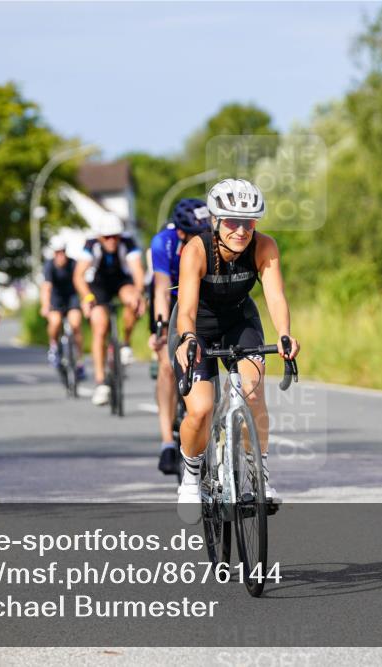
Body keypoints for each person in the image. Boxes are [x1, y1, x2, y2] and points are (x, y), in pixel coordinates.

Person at [170, 178, 300, 523]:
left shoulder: (264, 246)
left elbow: (275, 296)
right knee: (200, 409)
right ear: (215, 220)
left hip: (240, 321)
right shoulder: (196, 250)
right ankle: (191, 476)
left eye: (249, 222)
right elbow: (185, 309)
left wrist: (285, 333)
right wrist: (186, 339)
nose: (241, 230)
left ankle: (259, 475)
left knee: (253, 392)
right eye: (232, 221)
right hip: (196, 326)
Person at [149, 198, 212, 475]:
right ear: (182, 233)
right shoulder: (163, 242)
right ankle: (167, 443)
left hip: (202, 301)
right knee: (166, 366)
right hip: (171, 302)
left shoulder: (211, 237)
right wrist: (162, 329)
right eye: (194, 235)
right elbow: (161, 287)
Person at [73, 213, 146, 406]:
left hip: (121, 281)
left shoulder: (128, 242)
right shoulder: (91, 245)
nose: (112, 241)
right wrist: (87, 297)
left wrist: (139, 293)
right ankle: (100, 383)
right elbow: (79, 276)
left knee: (132, 300)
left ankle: (126, 344)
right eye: (107, 237)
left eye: (115, 236)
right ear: (99, 237)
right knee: (100, 326)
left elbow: (138, 271)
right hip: (98, 285)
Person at [40, 235, 85, 379]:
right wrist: (45, 305)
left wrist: (84, 300)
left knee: (76, 324)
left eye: (63, 252)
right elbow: (46, 287)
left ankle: (79, 361)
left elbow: (80, 282)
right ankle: (53, 346)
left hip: (71, 297)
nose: (61, 256)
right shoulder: (49, 266)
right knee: (55, 322)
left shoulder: (73, 264)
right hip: (56, 298)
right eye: (57, 253)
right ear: (54, 254)